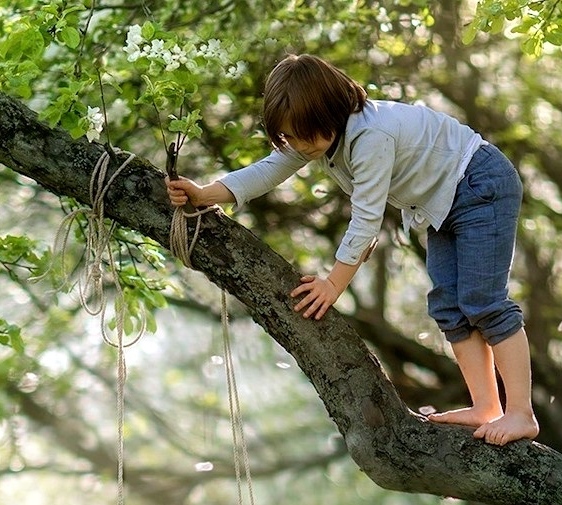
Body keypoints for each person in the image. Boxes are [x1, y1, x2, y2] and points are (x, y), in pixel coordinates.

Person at [166, 53, 539, 447]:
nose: (295, 145)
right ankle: (486, 407)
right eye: (287, 137)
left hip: (479, 186)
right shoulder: (318, 135)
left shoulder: (370, 137)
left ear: (329, 112)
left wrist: (332, 284)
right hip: (442, 203)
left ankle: (521, 414)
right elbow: (268, 169)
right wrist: (207, 193)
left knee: (483, 301)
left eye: (301, 135)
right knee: (448, 305)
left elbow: (366, 221)